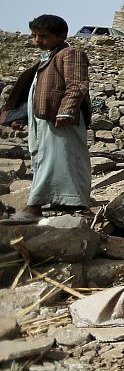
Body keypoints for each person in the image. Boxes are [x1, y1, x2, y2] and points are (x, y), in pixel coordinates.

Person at [2, 14, 93, 218]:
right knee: (43, 159)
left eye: (43, 36)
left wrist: (66, 111)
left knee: (57, 160)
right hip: (43, 120)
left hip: (61, 120)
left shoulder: (70, 54)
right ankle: (67, 203)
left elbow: (77, 85)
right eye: (34, 35)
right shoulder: (47, 57)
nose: (37, 41)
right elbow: (37, 92)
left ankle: (35, 205)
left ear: (61, 35)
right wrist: (21, 117)